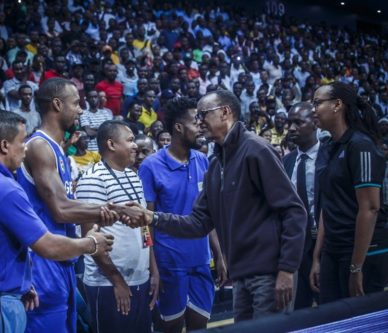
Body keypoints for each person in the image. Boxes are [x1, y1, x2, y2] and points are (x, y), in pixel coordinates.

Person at [127, 89, 307, 322]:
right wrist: (153, 218)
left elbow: (294, 211)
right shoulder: (216, 164)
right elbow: (198, 222)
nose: (200, 122)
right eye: (197, 117)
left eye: (204, 115)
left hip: (269, 274)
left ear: (225, 112)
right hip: (241, 276)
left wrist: (287, 269)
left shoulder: (256, 150)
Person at [0, 110, 114, 333]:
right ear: (5, 146)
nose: (26, 148)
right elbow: (49, 246)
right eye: (22, 141)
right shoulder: (4, 189)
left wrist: (21, 282)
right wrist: (92, 244)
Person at [16, 78, 146, 333]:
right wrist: (116, 210)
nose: (80, 109)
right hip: (43, 261)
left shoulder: (58, 150)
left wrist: (103, 213)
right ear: (56, 104)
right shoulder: (40, 146)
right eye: (75, 103)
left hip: (62, 257)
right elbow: (61, 210)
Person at [139, 97, 225, 332]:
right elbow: (145, 223)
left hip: (200, 261)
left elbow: (210, 215)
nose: (201, 125)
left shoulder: (203, 160)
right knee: (171, 327)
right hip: (168, 263)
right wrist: (153, 269)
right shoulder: (151, 166)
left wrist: (219, 253)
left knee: (200, 326)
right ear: (178, 127)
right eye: (195, 121)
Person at [76, 120, 158, 333]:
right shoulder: (93, 178)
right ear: (111, 145)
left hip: (140, 278)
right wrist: (117, 281)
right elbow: (90, 239)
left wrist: (153, 271)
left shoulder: (133, 176)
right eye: (130, 140)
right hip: (109, 285)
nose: (135, 146)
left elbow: (144, 227)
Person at [309, 82, 388, 304]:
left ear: (337, 105)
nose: (313, 109)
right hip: (333, 251)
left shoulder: (360, 145)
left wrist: (356, 266)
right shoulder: (327, 147)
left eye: (317, 103)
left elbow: (370, 209)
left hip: (362, 253)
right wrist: (317, 257)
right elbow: (328, 204)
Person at [283, 102, 321, 309]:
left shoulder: (328, 155)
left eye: (298, 122)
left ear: (315, 122)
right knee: (299, 312)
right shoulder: (286, 162)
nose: (291, 128)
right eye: (290, 123)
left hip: (326, 243)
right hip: (297, 245)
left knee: (332, 310)